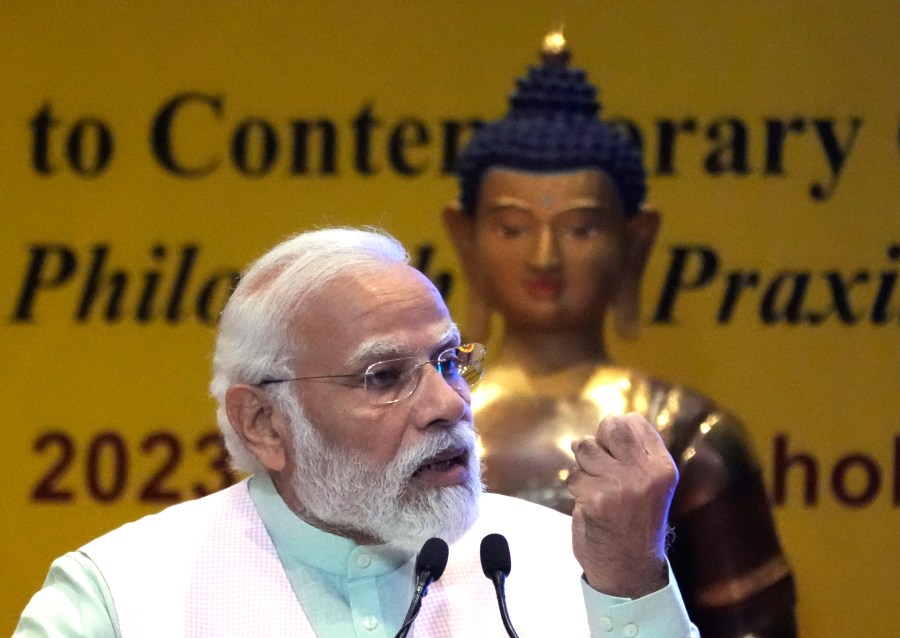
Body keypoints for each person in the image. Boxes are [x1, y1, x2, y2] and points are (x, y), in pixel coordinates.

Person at [15, 227, 698, 637]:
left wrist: (631, 589)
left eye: (449, 362)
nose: (447, 404)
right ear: (264, 422)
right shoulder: (120, 595)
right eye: (382, 376)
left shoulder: (576, 565)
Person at [442, 34, 797, 637]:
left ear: (635, 241)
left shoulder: (689, 435)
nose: (545, 257)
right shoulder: (427, 419)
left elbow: (754, 627)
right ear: (465, 237)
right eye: (511, 228)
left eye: (581, 229)